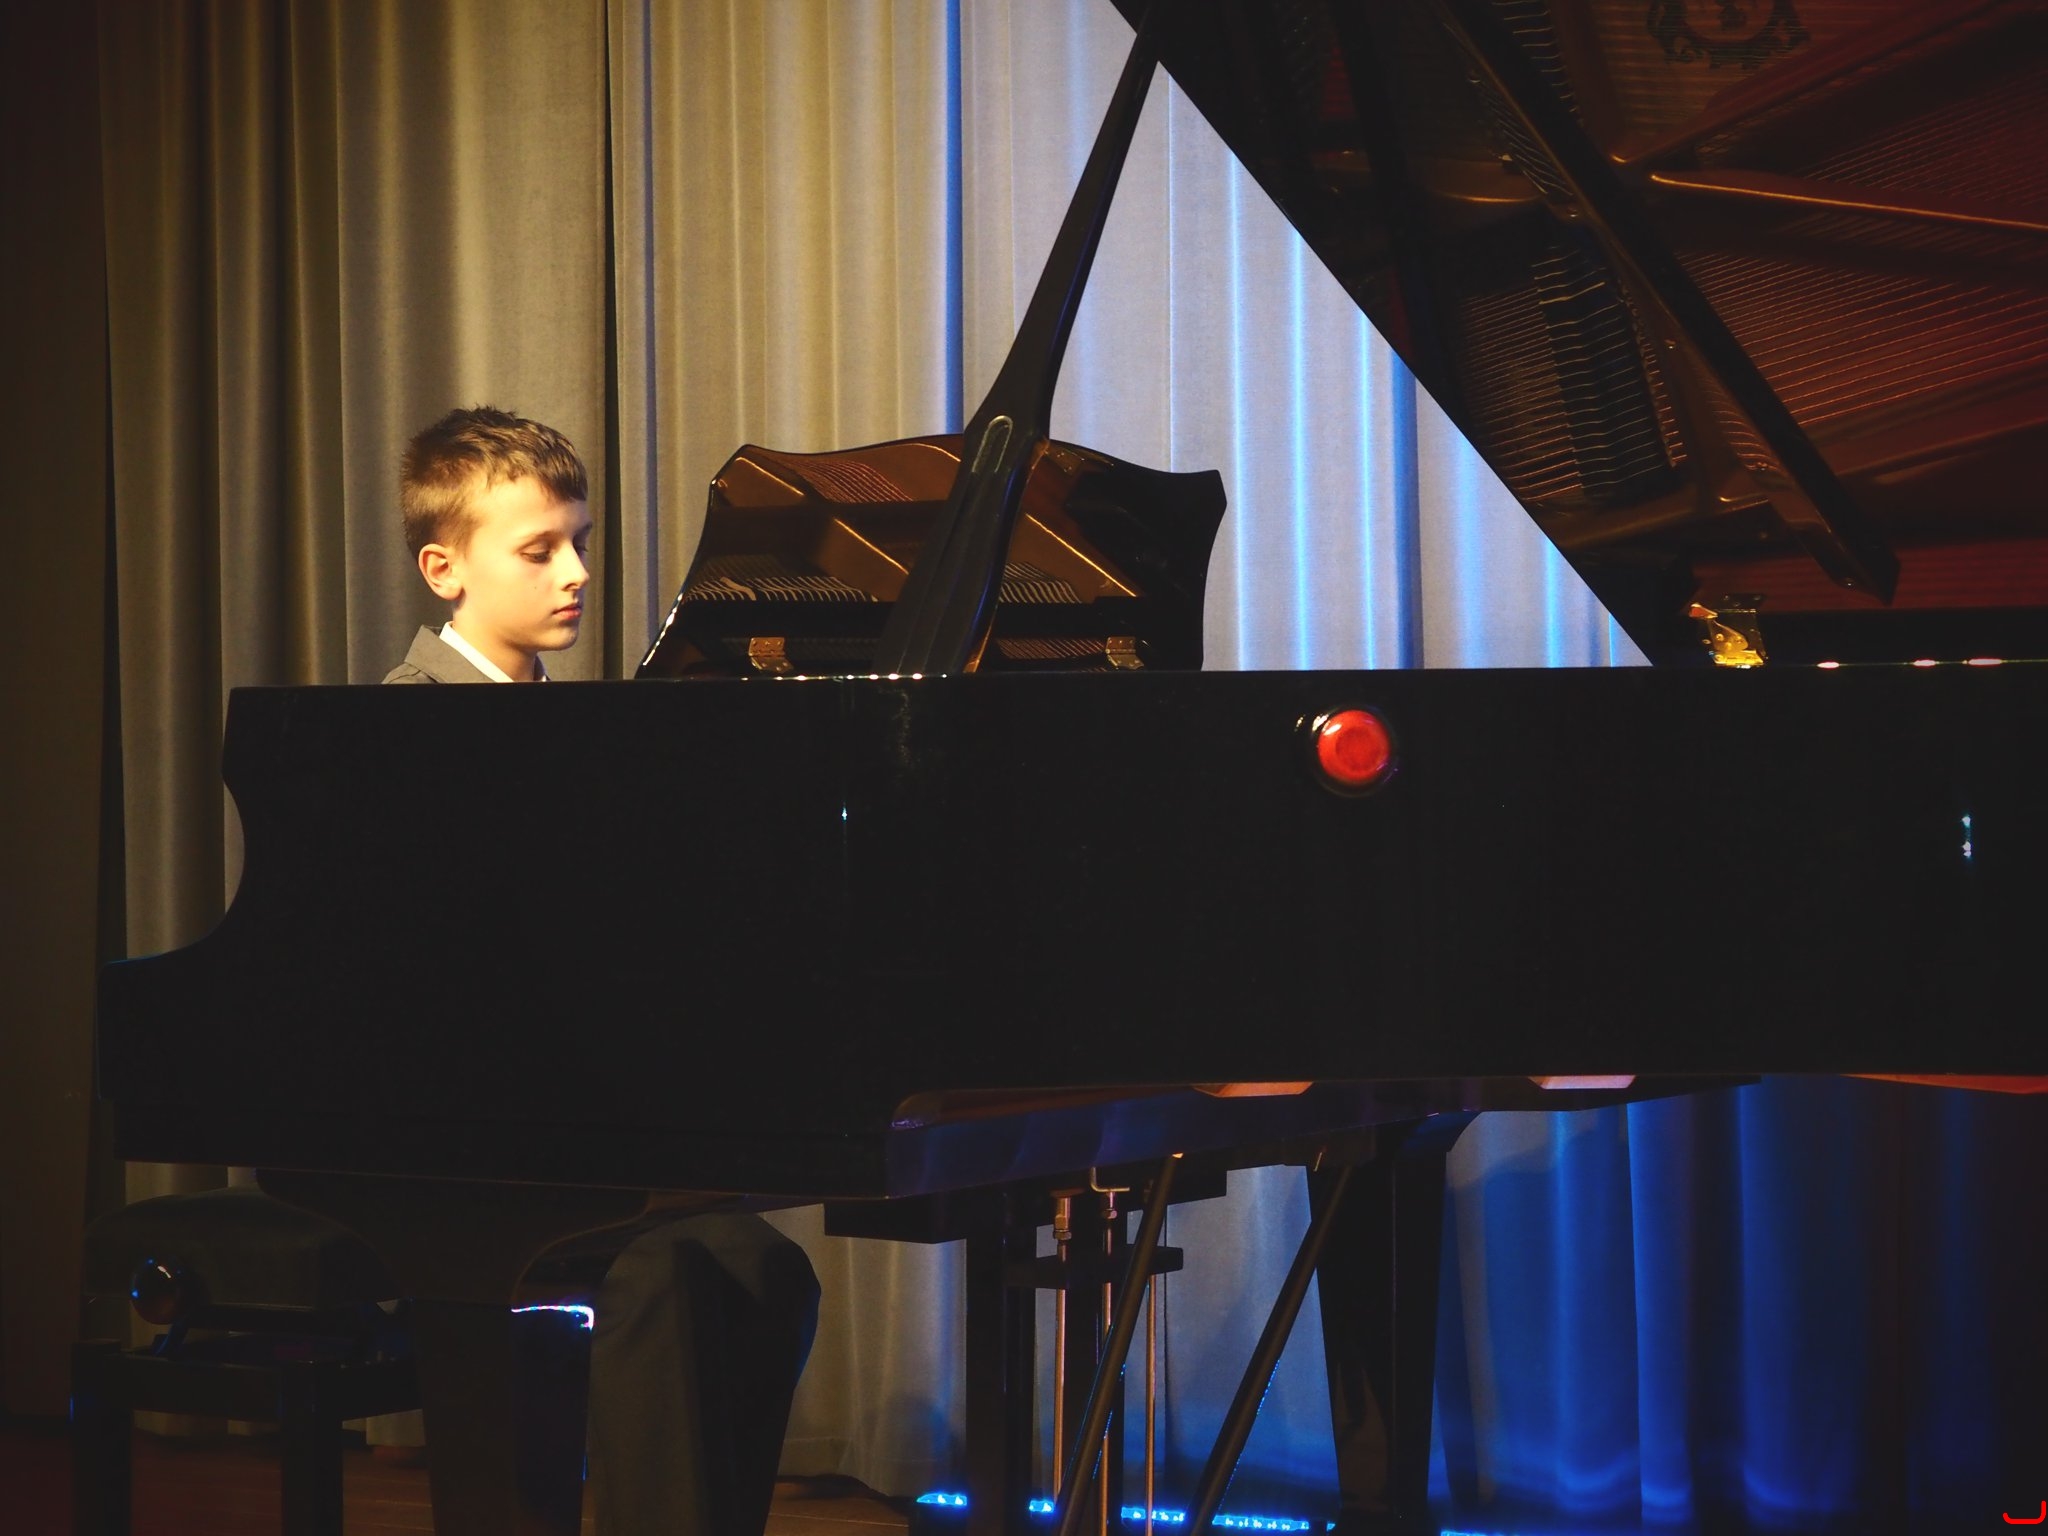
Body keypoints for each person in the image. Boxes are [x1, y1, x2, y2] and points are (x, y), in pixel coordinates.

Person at [385, 406, 822, 1533]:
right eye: (538, 550)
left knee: (765, 1272)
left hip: (569, 1126)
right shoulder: (396, 734)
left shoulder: (580, 730)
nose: (577, 572)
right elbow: (417, 986)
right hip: (451, 1144)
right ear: (444, 570)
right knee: (664, 1274)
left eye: (577, 541)